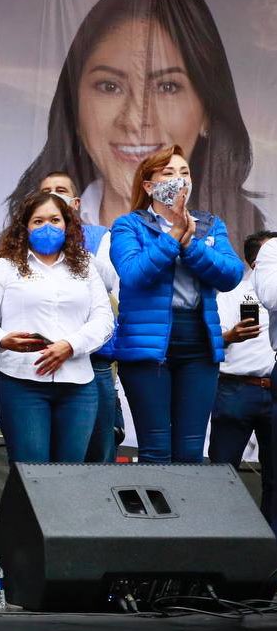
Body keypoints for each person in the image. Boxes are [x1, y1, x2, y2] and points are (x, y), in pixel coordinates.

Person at [8, 0, 259, 248]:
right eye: (109, 86)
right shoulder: (30, 235)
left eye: (167, 87)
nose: (135, 120)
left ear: (207, 111)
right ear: (75, 110)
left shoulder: (236, 237)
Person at [111, 145, 243, 463]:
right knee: (156, 448)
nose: (179, 180)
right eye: (168, 173)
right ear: (149, 186)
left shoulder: (209, 225)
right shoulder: (129, 225)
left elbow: (231, 274)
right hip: (148, 344)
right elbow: (134, 274)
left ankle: (188, 499)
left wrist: (191, 244)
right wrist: (173, 236)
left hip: (199, 342)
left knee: (190, 450)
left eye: (184, 173)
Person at [0, 192, 113, 462]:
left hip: (78, 385)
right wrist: (3, 339)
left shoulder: (85, 266)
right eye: (38, 221)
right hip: (20, 383)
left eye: (55, 220)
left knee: (70, 473)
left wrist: (71, 346)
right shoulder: (5, 266)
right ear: (24, 227)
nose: (47, 227)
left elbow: (104, 319)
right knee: (31, 472)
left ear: (67, 224)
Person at [38, 172, 121, 463]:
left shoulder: (99, 236)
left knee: (97, 452)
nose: (53, 194)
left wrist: (70, 245)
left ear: (75, 203)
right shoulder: (24, 241)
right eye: (46, 191)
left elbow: (110, 281)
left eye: (60, 190)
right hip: (41, 358)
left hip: (92, 359)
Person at [217, 231, 277, 535]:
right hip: (236, 390)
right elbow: (212, 340)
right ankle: (223, 542)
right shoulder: (230, 293)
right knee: (222, 473)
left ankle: (271, 545)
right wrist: (230, 336)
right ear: (255, 262)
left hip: (274, 390)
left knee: (275, 478)